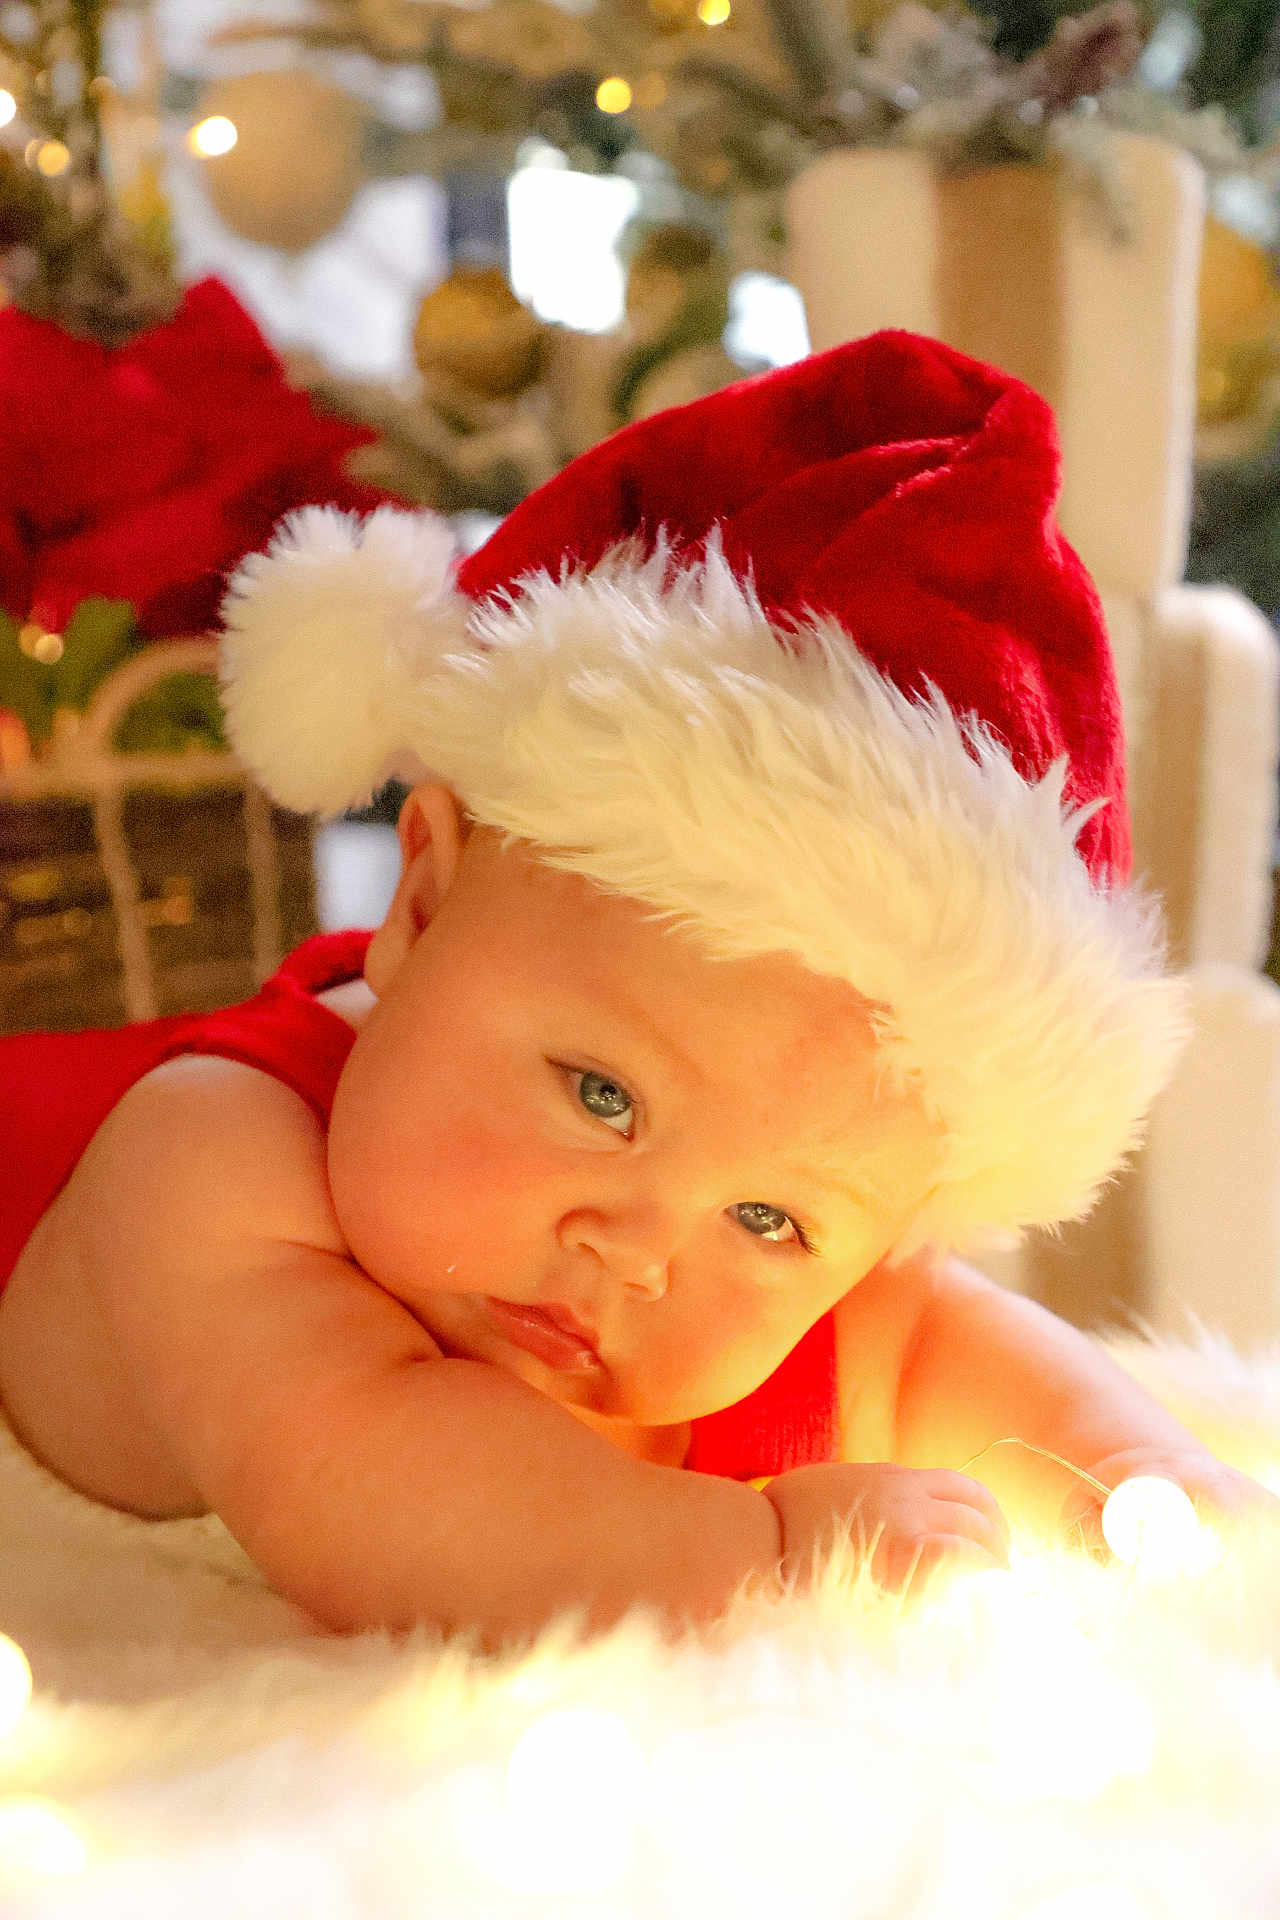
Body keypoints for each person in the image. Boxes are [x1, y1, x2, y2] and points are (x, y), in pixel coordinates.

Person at [1, 331, 1273, 1646]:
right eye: (604, 1096)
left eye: (772, 1223)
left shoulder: (724, 1240)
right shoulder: (220, 1156)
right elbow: (371, 1495)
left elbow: (938, 1337)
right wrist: (775, 1550)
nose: (643, 1251)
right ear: (421, 906)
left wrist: (1146, 1484)